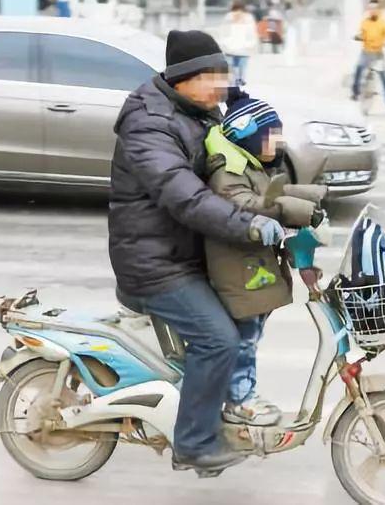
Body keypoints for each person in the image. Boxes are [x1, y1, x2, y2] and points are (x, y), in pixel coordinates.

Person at [109, 30, 284, 473]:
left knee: (247, 311)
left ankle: (224, 404)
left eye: (223, 77)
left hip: (187, 253)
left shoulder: (199, 110)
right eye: (211, 78)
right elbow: (185, 196)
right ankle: (194, 443)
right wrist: (249, 226)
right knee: (218, 338)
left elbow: (237, 162)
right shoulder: (149, 122)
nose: (219, 87)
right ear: (184, 78)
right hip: (155, 263)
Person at [203, 89, 327, 426]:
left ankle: (239, 393)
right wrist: (299, 213)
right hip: (237, 273)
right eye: (273, 136)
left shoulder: (251, 166)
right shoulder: (227, 172)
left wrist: (314, 199)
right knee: (244, 341)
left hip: (250, 269)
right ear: (249, 137)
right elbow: (250, 204)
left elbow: (273, 192)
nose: (280, 143)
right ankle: (239, 401)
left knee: (251, 336)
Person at [351, 0, 385, 117]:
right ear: (368, 9)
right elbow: (361, 33)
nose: (372, 11)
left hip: (378, 55)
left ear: (378, 10)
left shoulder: (383, 23)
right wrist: (358, 36)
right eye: (370, 8)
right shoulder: (364, 22)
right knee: (358, 69)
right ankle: (355, 93)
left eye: (374, 8)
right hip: (366, 53)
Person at [220, 1, 258, 86]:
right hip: (231, 47)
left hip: (243, 48)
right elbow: (223, 31)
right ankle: (235, 81)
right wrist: (224, 42)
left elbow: (252, 32)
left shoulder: (248, 18)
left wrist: (251, 43)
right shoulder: (228, 17)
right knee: (233, 66)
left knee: (241, 66)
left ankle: (239, 80)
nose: (238, 13)